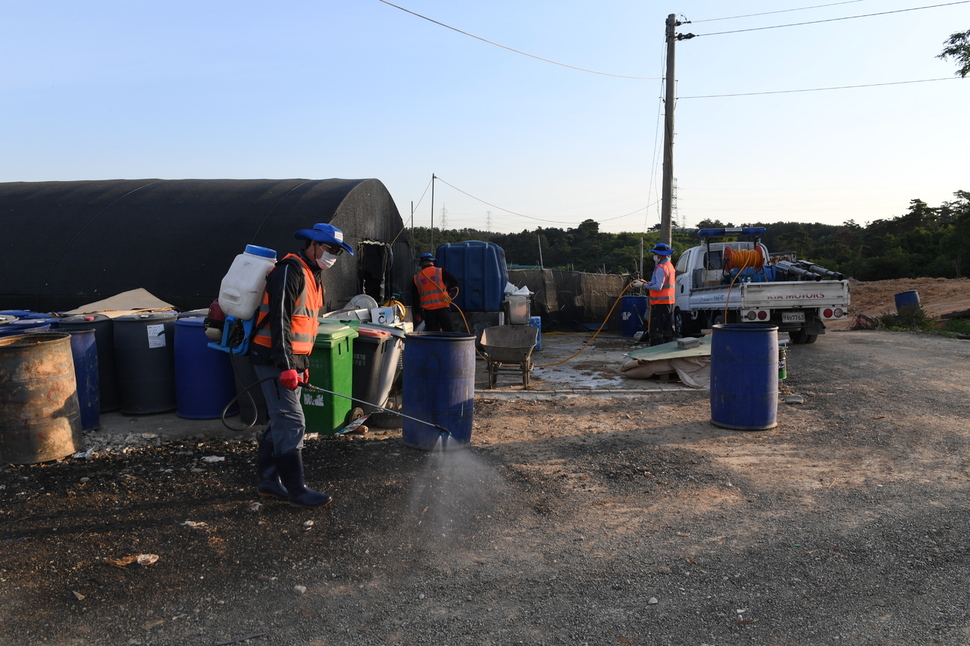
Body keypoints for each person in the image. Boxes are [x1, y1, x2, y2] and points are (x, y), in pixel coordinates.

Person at [248, 222, 353, 508]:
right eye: (330, 248)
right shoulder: (289, 270)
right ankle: (296, 490)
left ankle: (269, 482)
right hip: (272, 358)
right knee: (293, 422)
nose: (333, 255)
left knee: (280, 421)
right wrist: (285, 365)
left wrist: (301, 364)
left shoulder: (313, 275)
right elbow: (279, 321)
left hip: (289, 360)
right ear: (312, 244)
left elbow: (303, 325)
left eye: (337, 252)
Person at [411, 252, 458, 332]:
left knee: (432, 333)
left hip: (428, 310)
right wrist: (448, 289)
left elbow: (415, 297)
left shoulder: (416, 278)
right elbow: (454, 282)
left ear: (421, 263)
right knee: (449, 331)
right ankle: (450, 344)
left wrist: (417, 312)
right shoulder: (440, 271)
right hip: (443, 307)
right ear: (432, 262)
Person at [644, 242, 676, 346]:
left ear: (660, 255)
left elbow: (658, 287)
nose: (655, 257)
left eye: (655, 254)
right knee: (667, 331)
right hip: (669, 303)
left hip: (660, 303)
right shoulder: (670, 266)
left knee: (656, 332)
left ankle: (655, 355)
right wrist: (647, 283)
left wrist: (642, 285)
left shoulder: (661, 267)